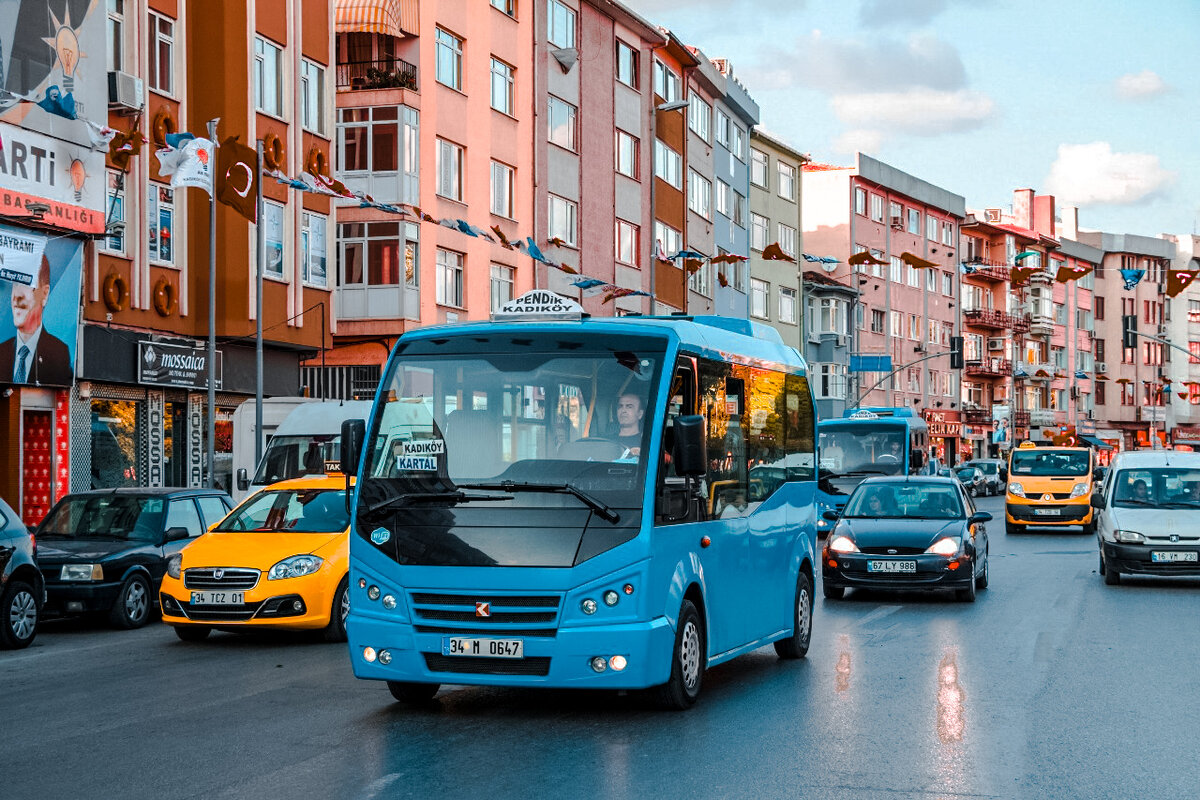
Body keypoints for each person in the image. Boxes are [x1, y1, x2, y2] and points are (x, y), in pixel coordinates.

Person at [0, 255, 72, 386]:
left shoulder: (59, 353)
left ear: (44, 294)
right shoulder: (2, 351)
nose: (17, 296)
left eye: (27, 284)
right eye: (15, 284)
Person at [614, 392, 644, 456]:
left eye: (629, 407)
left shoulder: (646, 443)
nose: (623, 410)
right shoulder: (607, 440)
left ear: (640, 414)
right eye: (620, 406)